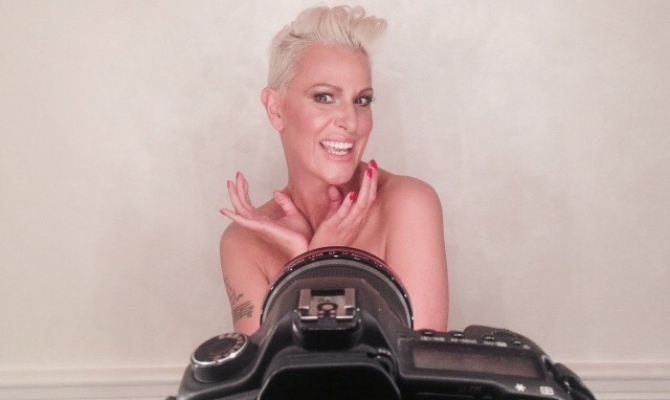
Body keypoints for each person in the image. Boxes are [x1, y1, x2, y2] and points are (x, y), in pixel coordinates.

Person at [220, 5, 448, 335]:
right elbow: (271, 368)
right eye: (325, 97)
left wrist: (322, 261)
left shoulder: (409, 204)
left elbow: (418, 360)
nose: (351, 122)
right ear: (275, 109)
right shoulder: (244, 242)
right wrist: (311, 262)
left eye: (362, 100)